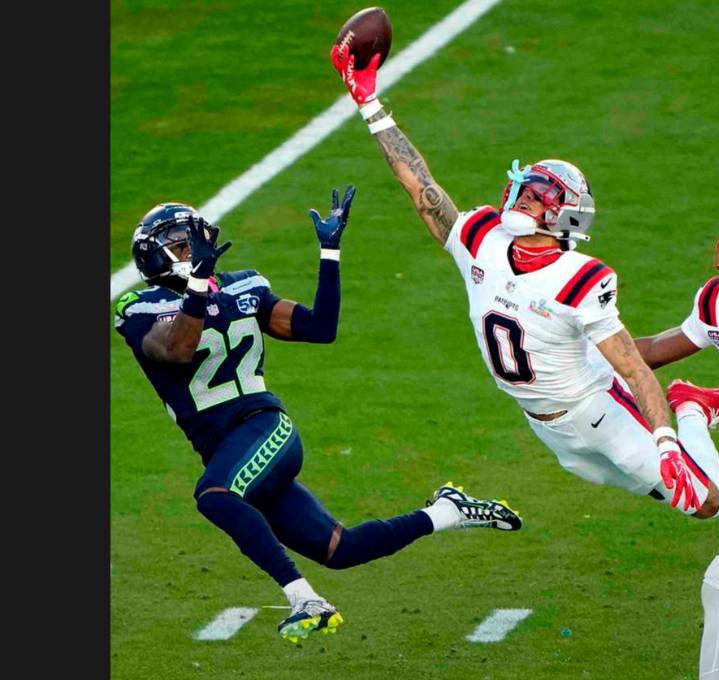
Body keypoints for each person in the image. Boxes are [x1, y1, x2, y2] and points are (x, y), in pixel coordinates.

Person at [329, 47, 719, 524]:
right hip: (547, 427)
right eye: (525, 191)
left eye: (540, 197)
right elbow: (421, 186)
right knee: (658, 492)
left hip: (597, 411)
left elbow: (630, 365)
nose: (526, 200)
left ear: (566, 216)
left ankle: (690, 407)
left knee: (705, 503)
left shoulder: (582, 276)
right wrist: (370, 106)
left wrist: (665, 437)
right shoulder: (481, 239)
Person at [113, 187, 522, 645]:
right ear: (152, 255)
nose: (193, 250)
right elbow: (176, 348)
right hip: (228, 448)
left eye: (193, 240)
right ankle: (447, 511)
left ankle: (306, 600)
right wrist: (196, 287)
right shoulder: (138, 308)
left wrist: (330, 253)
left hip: (263, 426)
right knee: (340, 549)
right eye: (180, 243)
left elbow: (318, 327)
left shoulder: (243, 286)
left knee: (214, 495)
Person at [635, 217, 719, 679]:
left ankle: (692, 406)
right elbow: (656, 349)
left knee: (716, 505)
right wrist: (586, 347)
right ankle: (694, 405)